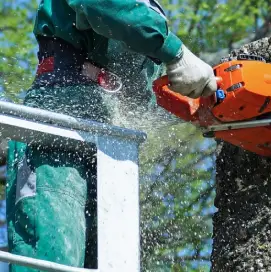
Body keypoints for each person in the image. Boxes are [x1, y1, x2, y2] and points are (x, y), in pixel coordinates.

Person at [5, 1, 217, 271]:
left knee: (112, 259)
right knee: (54, 251)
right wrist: (175, 53)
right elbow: (106, 6)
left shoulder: (150, 14)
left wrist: (201, 107)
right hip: (54, 134)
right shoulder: (144, 22)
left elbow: (145, 100)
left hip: (110, 151)